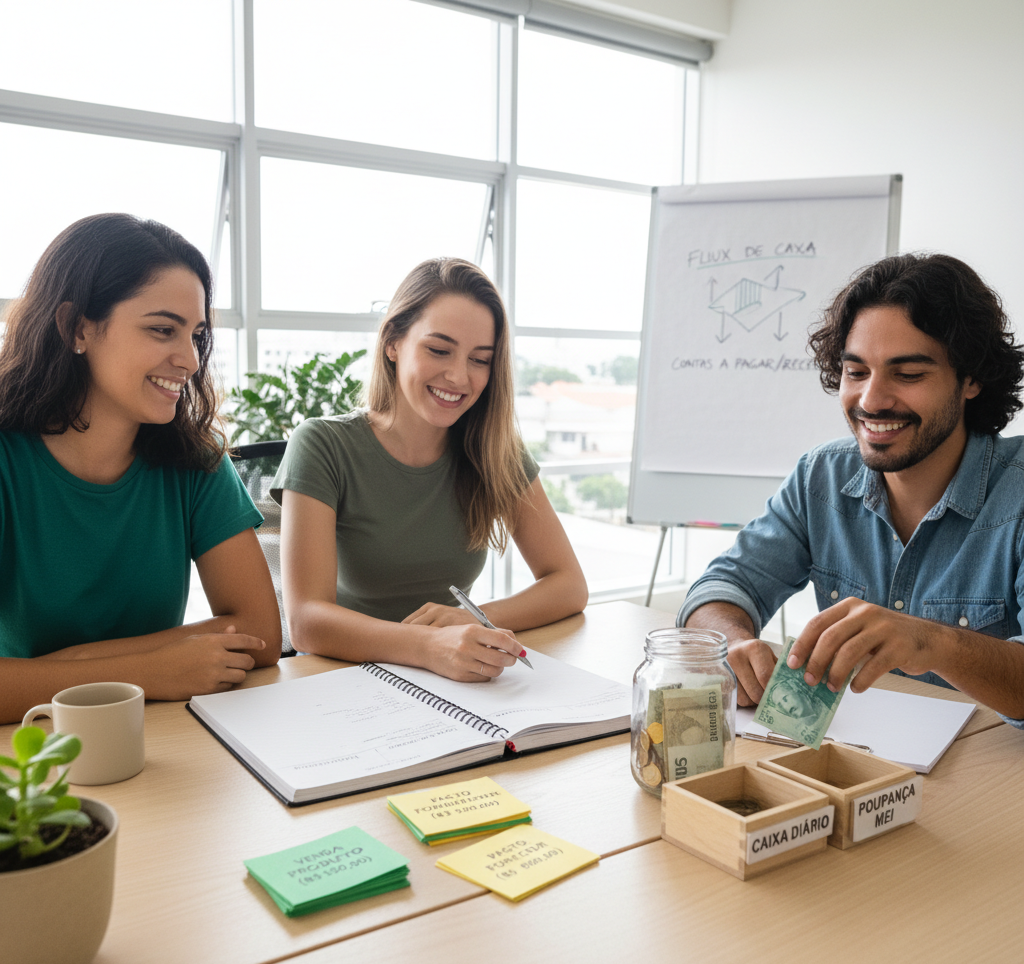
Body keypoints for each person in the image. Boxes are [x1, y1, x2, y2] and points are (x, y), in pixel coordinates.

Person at [679, 253, 1024, 727]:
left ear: (971, 379)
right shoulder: (819, 477)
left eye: (908, 374)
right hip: (858, 770)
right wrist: (733, 643)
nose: (871, 400)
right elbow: (722, 588)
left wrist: (931, 642)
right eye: (856, 371)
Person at [0, 213, 281, 724]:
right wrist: (147, 671)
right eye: (161, 330)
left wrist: (63, 666)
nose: (192, 360)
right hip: (29, 751)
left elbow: (260, 634)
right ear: (76, 327)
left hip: (158, 738)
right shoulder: (6, 462)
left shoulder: (197, 459)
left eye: (195, 334)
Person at [274, 257, 588, 681]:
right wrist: (429, 647)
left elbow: (569, 584)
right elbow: (307, 622)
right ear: (393, 343)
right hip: (343, 680)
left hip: (451, 680)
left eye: (480, 359)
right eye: (439, 350)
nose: (459, 376)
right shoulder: (323, 444)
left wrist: (470, 619)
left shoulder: (495, 450)